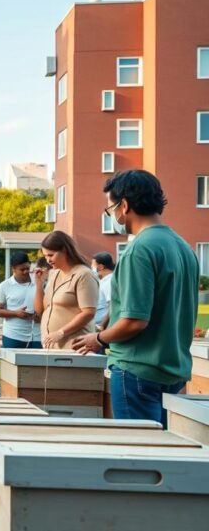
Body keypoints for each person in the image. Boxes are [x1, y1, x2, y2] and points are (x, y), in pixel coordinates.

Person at [73, 170, 199, 426]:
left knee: (139, 457)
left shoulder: (138, 250)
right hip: (174, 369)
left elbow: (134, 321)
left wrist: (97, 338)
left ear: (125, 205)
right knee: (163, 457)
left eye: (110, 210)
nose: (113, 217)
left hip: (137, 370)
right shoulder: (184, 247)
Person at [33, 231, 99, 350]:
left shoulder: (84, 275)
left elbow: (88, 312)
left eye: (51, 255)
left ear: (64, 250)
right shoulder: (54, 274)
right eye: (45, 256)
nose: (48, 260)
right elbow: (39, 310)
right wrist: (39, 284)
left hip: (75, 346)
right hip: (51, 346)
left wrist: (61, 332)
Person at [0, 252, 41, 349]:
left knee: (37, 364)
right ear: (13, 269)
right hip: (13, 336)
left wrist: (41, 315)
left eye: (27, 268)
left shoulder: (38, 282)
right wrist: (16, 313)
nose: (26, 271)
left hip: (37, 336)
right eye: (22, 269)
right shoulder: (5, 286)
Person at [91, 252, 115, 330]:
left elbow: (112, 306)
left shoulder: (109, 281)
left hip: (102, 328)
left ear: (101, 267)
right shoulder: (103, 281)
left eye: (93, 265)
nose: (91, 268)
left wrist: (101, 326)